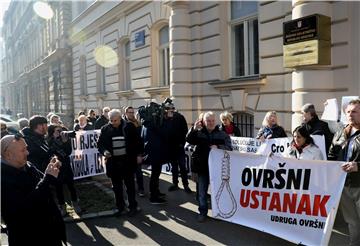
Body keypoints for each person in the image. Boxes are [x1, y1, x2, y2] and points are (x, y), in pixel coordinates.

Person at [1, 134, 66, 245]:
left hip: (50, 234)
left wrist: (54, 169)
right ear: (8, 155)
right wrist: (48, 179)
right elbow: (24, 207)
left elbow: (46, 185)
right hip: (28, 238)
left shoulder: (27, 165)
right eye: (23, 150)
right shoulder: (3, 178)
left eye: (26, 148)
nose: (28, 152)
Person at [186, 111, 232, 222]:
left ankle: (218, 213)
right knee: (202, 192)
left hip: (217, 169)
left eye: (212, 121)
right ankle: (202, 212)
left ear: (215, 121)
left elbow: (229, 147)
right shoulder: (198, 132)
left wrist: (218, 146)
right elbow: (188, 139)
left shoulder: (222, 134)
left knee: (217, 192)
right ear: (204, 121)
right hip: (202, 167)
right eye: (208, 121)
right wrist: (193, 129)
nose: (211, 123)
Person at [97, 109, 143, 216]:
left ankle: (133, 206)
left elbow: (138, 141)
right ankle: (120, 207)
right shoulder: (105, 129)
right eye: (111, 120)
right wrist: (104, 151)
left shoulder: (129, 127)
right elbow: (100, 144)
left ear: (120, 118)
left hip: (127, 161)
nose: (113, 123)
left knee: (130, 186)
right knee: (116, 187)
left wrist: (139, 155)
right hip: (113, 162)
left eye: (115, 120)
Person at [328, 99, 360, 246]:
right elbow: (332, 155)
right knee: (352, 221)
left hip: (359, 184)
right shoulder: (341, 132)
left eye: (354, 112)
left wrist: (358, 166)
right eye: (348, 112)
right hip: (344, 185)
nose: (350, 115)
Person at [47, 124, 81, 216]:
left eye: (61, 130)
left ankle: (75, 204)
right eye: (58, 131)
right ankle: (62, 206)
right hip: (56, 167)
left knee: (71, 185)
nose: (60, 132)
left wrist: (65, 142)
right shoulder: (48, 141)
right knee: (58, 187)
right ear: (52, 132)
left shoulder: (65, 139)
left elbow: (68, 152)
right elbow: (49, 152)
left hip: (66, 165)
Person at [166, 102, 192, 193]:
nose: (170, 110)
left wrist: (182, 143)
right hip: (170, 147)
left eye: (171, 108)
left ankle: (185, 185)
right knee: (174, 167)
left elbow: (185, 131)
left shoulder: (180, 117)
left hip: (179, 146)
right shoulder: (165, 119)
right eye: (168, 108)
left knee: (182, 167)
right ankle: (175, 184)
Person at [124, 106, 145, 197]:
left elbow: (140, 140)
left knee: (139, 173)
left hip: (136, 153)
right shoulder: (123, 124)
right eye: (129, 112)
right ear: (126, 113)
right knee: (128, 174)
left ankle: (141, 189)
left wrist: (140, 154)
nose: (131, 114)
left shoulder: (138, 123)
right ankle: (130, 190)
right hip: (126, 153)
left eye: (132, 112)